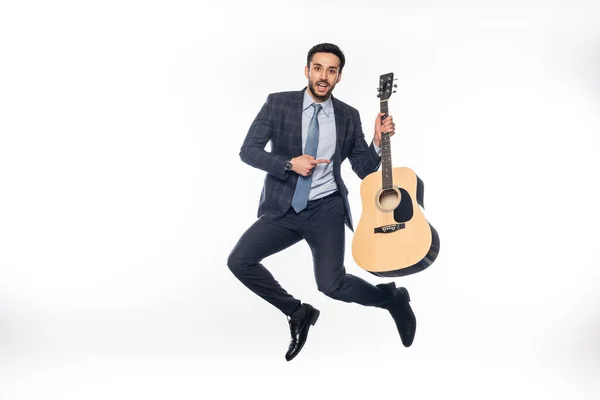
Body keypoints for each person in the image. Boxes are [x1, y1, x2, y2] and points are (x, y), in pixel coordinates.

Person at [227, 43, 416, 361]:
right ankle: (297, 313)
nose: (323, 76)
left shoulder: (347, 115)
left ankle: (392, 300)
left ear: (339, 77)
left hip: (326, 208)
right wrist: (289, 163)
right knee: (239, 261)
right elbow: (249, 150)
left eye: (331, 70)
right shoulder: (278, 105)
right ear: (307, 70)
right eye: (318, 68)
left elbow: (364, 168)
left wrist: (376, 140)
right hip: (283, 207)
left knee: (332, 284)